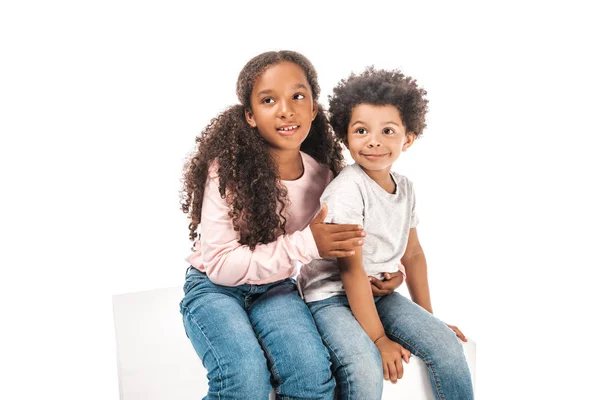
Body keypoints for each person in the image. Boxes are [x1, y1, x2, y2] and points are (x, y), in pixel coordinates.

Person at [178, 50, 369, 400]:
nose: (286, 109)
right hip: (214, 288)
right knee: (245, 378)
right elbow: (221, 266)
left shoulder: (324, 178)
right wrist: (307, 244)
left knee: (312, 377)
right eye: (268, 100)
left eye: (298, 96)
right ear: (250, 116)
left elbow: (330, 248)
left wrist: (378, 273)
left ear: (314, 108)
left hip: (276, 289)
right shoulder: (226, 173)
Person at [298, 67, 475, 400]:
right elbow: (351, 270)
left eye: (388, 131)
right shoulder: (347, 190)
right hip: (332, 298)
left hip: (378, 294)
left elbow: (414, 254)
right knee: (364, 366)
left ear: (407, 138)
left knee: (448, 347)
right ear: (345, 136)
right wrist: (379, 340)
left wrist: (429, 321)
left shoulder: (406, 188)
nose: (374, 140)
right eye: (361, 130)